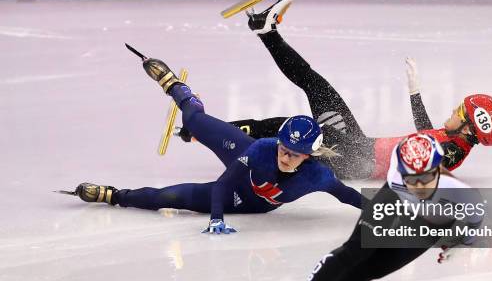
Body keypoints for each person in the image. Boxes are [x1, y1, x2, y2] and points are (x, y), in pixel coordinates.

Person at [179, 0, 492, 179]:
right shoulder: (452, 141)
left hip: (354, 159)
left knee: (283, 128)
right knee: (314, 85)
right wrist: (414, 93)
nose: (452, 112)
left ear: (471, 127)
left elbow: (430, 166)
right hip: (358, 145)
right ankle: (266, 31)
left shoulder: (453, 152)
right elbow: (426, 136)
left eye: (458, 112)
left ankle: (199, 129)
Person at [62, 55, 363, 234]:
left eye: (294, 155)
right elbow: (223, 184)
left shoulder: (318, 176)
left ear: (309, 155)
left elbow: (348, 196)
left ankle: (114, 196)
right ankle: (179, 91)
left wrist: (385, 211)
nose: (285, 158)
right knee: (195, 123)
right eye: (284, 149)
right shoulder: (263, 148)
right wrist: (216, 219)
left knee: (169, 197)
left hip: (246, 204)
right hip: (237, 172)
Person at [256, 133, 484, 281]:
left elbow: (473, 221)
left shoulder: (460, 194)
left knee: (365, 273)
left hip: (428, 225)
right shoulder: (398, 176)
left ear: (438, 169)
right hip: (395, 198)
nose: (418, 187)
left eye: (425, 179)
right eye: (411, 179)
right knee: (353, 252)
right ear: (400, 172)